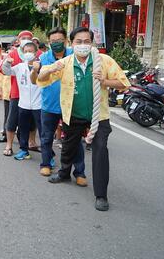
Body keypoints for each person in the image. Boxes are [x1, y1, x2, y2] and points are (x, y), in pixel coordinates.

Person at [37, 27, 130, 211]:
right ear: (71, 44)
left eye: (86, 41)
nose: (82, 45)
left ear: (92, 43)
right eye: (78, 41)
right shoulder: (65, 63)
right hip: (73, 114)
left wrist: (105, 81)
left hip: (99, 116)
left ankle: (101, 195)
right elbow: (41, 80)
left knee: (100, 150)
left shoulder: (103, 61)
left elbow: (124, 83)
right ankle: (64, 173)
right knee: (69, 146)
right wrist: (49, 69)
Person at [29, 27, 86, 181]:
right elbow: (34, 81)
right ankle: (45, 164)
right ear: (49, 42)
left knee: (75, 139)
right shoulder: (43, 58)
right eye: (53, 41)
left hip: (70, 105)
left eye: (60, 41)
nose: (57, 43)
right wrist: (35, 71)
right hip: (49, 105)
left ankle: (79, 172)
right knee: (46, 137)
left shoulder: (75, 56)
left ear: (66, 41)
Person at [2, 41, 42, 160]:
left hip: (38, 105)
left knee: (43, 131)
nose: (28, 53)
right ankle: (24, 150)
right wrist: (7, 63)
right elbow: (7, 71)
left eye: (30, 51)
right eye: (26, 51)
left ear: (36, 53)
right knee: (23, 129)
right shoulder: (20, 67)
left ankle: (48, 155)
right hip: (23, 104)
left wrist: (38, 69)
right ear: (22, 53)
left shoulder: (42, 66)